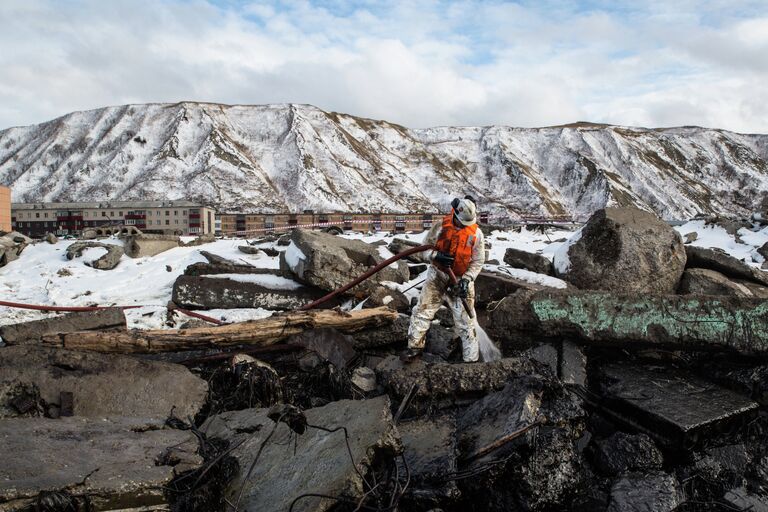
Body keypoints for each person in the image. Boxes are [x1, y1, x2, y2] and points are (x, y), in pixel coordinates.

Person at [401, 196, 485, 363]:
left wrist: (467, 279)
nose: (463, 226)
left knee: (466, 321)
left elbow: (478, 261)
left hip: (460, 279)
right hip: (438, 275)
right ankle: (414, 348)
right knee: (423, 310)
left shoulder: (476, 234)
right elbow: (423, 251)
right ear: (455, 214)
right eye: (461, 223)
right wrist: (436, 255)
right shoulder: (440, 228)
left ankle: (471, 360)